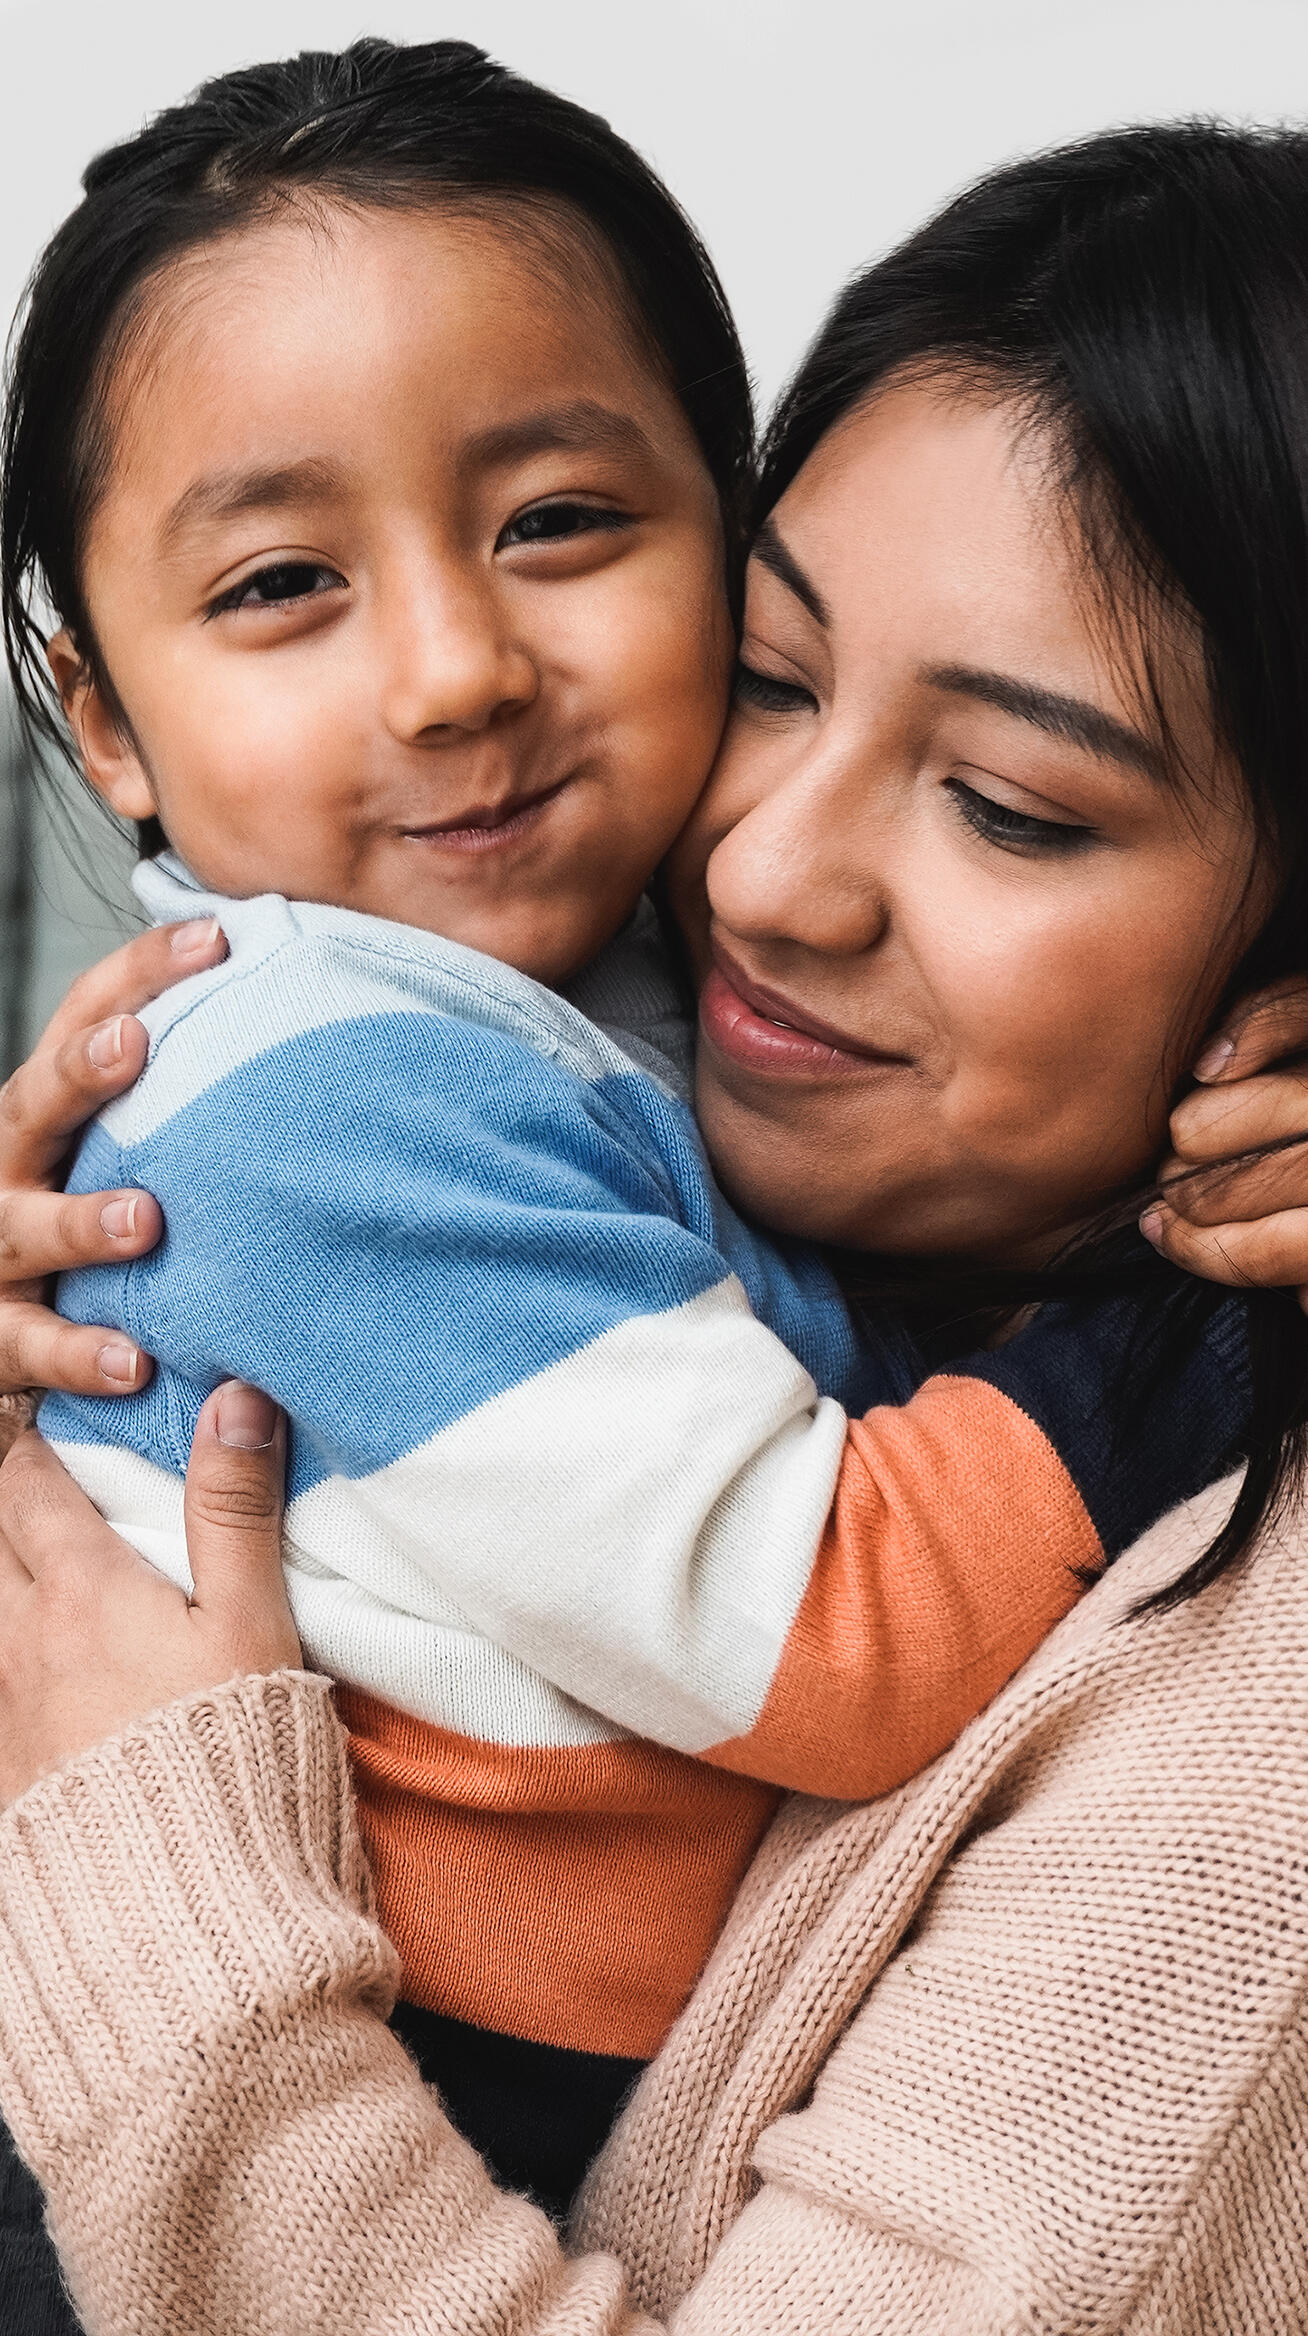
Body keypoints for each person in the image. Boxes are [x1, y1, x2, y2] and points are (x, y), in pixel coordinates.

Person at [2, 114, 1308, 2335]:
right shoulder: (414, 1059)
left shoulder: (1250, 1767)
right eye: (780, 680)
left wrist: (161, 1910)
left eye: (1011, 803)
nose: (768, 879)